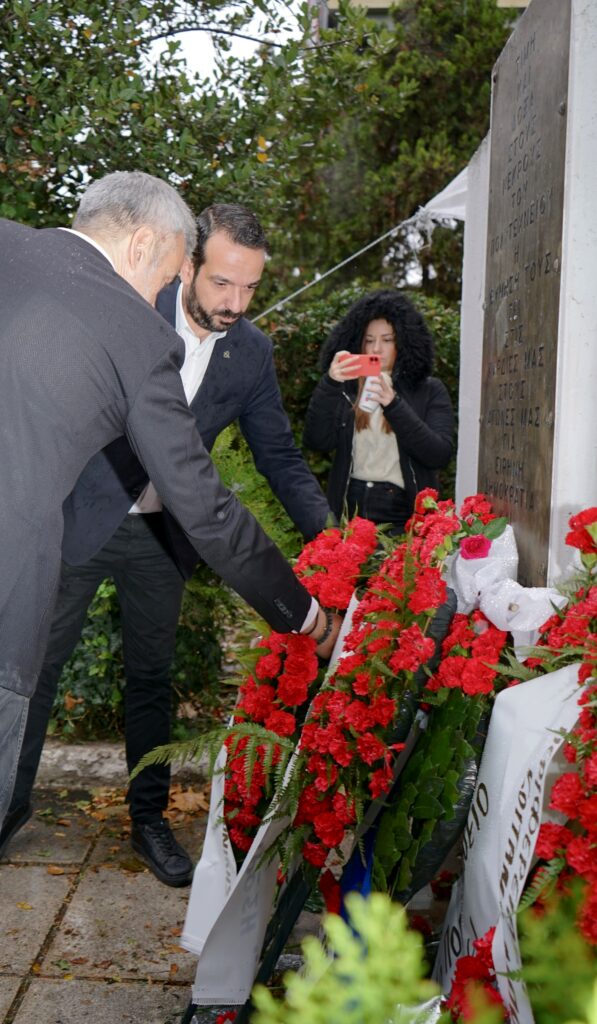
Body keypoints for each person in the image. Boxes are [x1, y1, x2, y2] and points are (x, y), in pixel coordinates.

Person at [0, 173, 340, 871]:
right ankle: (9, 806)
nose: (234, 303)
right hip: (77, 521)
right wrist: (305, 615)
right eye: (221, 282)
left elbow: (278, 456)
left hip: (163, 536)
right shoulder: (130, 310)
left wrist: (332, 541)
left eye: (250, 289)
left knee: (150, 680)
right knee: (31, 666)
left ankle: (149, 820)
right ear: (180, 263)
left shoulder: (251, 353)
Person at [303, 290, 454, 531]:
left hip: (402, 514)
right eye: (369, 340)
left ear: (403, 342)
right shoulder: (347, 387)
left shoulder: (429, 390)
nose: (377, 348)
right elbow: (317, 441)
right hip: (350, 508)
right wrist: (330, 384)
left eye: (387, 340)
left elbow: (438, 454)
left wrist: (393, 404)